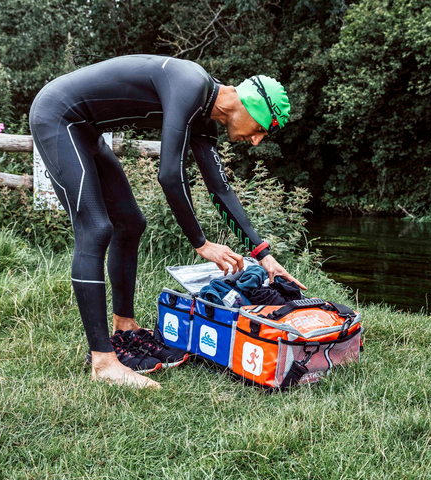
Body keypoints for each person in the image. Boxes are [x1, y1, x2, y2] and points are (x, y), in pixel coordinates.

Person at [29, 54, 305, 389]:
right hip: (58, 116)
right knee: (96, 228)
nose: (257, 140)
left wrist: (264, 254)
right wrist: (201, 243)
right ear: (250, 108)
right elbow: (170, 174)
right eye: (262, 129)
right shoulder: (191, 83)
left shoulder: (204, 116)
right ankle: (103, 362)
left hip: (85, 129)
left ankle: (125, 327)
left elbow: (220, 188)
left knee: (130, 223)